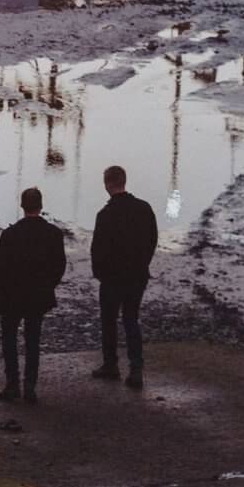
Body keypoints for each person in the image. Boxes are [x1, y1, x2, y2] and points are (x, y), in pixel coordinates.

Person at [0, 187, 66, 403]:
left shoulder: (10, 235)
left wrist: (0, 293)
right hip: (38, 296)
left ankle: (12, 384)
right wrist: (48, 286)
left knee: (9, 339)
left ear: (22, 206)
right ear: (40, 206)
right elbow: (59, 266)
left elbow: (1, 268)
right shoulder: (53, 234)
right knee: (33, 340)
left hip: (13, 295)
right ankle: (30, 386)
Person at [89, 164, 157, 389]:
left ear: (107, 184)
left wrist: (100, 273)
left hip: (112, 278)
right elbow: (152, 240)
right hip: (137, 275)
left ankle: (111, 365)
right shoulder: (144, 208)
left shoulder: (105, 215)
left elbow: (97, 249)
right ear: (124, 181)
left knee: (109, 321)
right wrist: (143, 263)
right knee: (131, 319)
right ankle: (136, 368)